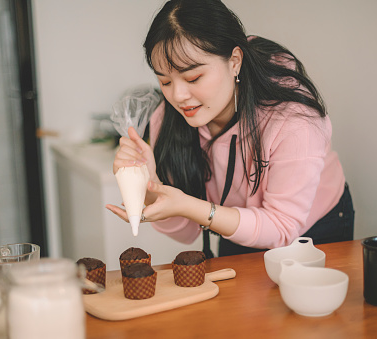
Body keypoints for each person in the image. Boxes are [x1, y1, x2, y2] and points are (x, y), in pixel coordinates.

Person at [106, 0, 354, 258]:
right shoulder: (167, 119)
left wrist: (192, 206)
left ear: (234, 61)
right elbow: (187, 232)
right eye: (165, 81)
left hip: (315, 227)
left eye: (193, 78)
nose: (178, 96)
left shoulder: (293, 119)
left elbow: (282, 227)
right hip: (232, 221)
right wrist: (150, 189)